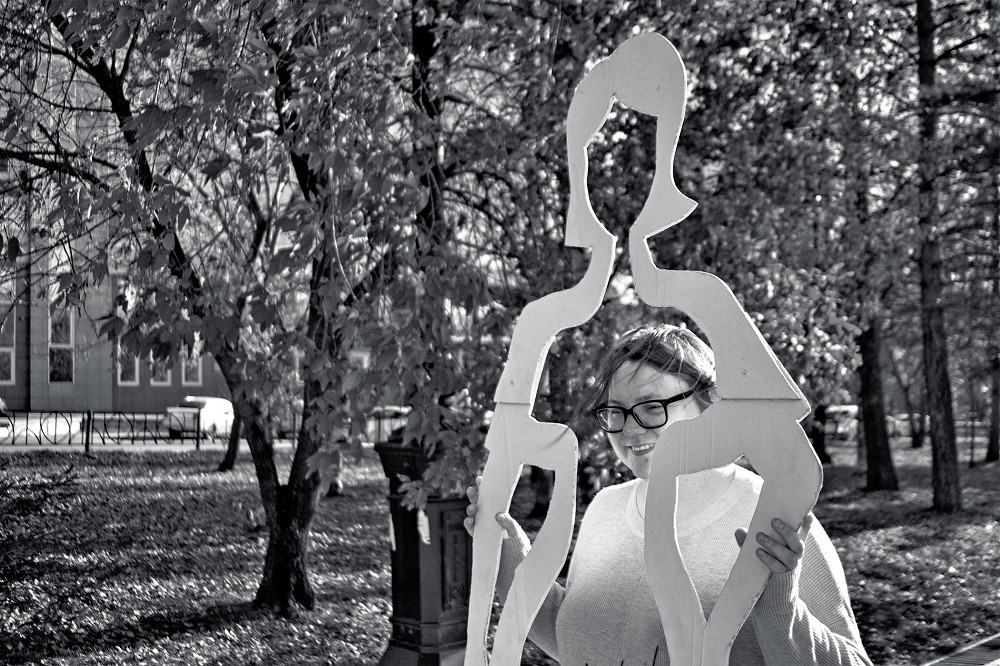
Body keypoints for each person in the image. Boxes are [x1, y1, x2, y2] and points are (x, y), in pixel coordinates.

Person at [464, 325, 872, 665]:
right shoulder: (606, 508)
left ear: (708, 404)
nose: (629, 429)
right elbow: (580, 642)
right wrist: (511, 561)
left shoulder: (771, 515)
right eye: (615, 411)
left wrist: (781, 611)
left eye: (652, 406)